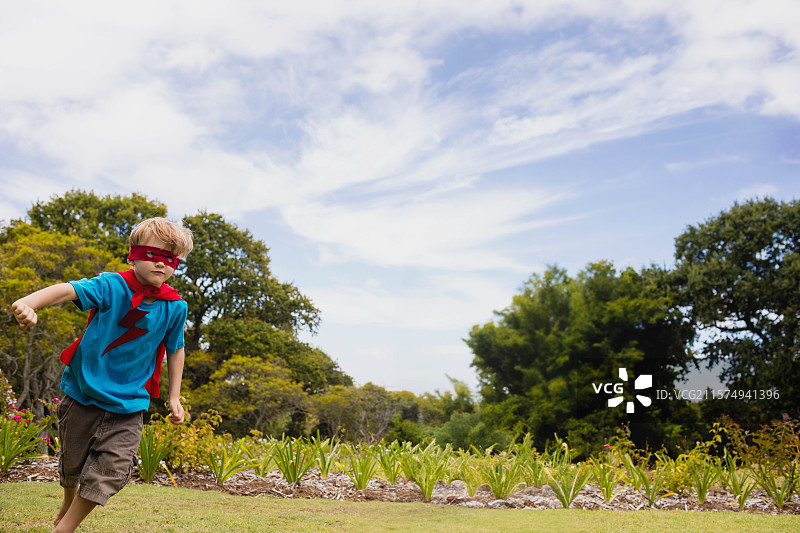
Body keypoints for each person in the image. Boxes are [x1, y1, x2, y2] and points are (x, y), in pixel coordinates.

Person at [10, 217, 193, 533]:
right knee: (72, 465)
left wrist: (174, 395)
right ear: (132, 255)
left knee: (111, 469)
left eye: (171, 259)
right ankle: (68, 500)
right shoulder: (111, 286)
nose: (161, 264)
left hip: (129, 404)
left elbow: (175, 349)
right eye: (153, 254)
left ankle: (64, 528)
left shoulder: (175, 307)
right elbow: (68, 290)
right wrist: (29, 302)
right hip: (84, 393)